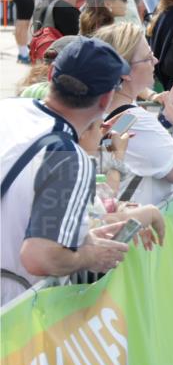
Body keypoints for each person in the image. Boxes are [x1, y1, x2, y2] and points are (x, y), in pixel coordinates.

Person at [0, 37, 131, 306]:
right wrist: (90, 255)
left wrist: (84, 238)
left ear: (51, 75)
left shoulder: (8, 109)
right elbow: (39, 256)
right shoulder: (67, 157)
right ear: (105, 100)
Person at [93, 23, 173, 205]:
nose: (155, 61)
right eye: (148, 58)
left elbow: (135, 145)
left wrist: (166, 119)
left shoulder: (109, 112)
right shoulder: (135, 120)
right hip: (146, 219)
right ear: (125, 72)